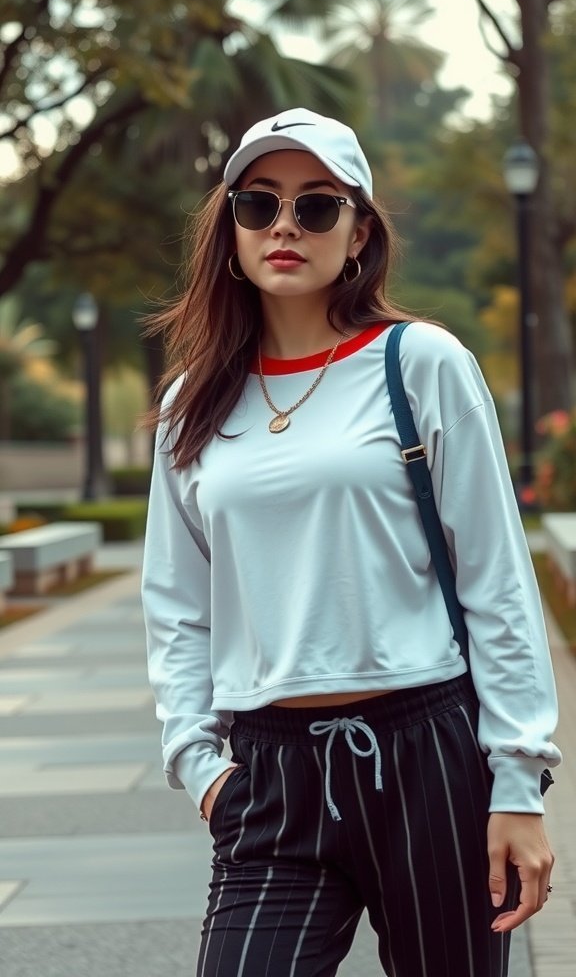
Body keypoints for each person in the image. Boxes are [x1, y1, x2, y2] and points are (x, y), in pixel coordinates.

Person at [141, 107, 561, 977]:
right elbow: (177, 605)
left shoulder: (420, 364)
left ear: (359, 231)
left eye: (317, 205)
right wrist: (201, 766)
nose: (285, 225)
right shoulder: (191, 403)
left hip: (426, 757)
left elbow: (498, 582)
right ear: (231, 232)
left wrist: (518, 785)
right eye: (259, 205)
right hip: (269, 773)